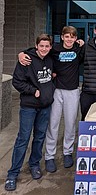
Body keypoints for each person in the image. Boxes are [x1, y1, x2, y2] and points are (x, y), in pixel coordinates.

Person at [19, 26, 85, 173]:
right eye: (66, 36)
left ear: (75, 38)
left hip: (73, 91)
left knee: (70, 123)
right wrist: (21, 53)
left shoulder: (79, 49)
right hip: (56, 91)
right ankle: (50, 156)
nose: (69, 39)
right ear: (62, 37)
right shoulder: (54, 49)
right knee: (53, 124)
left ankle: (67, 152)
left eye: (72, 37)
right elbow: (37, 50)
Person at [5, 34, 55, 191]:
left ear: (50, 47)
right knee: (23, 139)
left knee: (39, 138)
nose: (44, 49)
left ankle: (34, 165)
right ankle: (12, 174)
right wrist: (33, 91)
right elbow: (17, 81)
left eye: (47, 46)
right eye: (41, 46)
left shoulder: (51, 58)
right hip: (29, 107)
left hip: (45, 106)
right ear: (36, 46)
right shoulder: (26, 59)